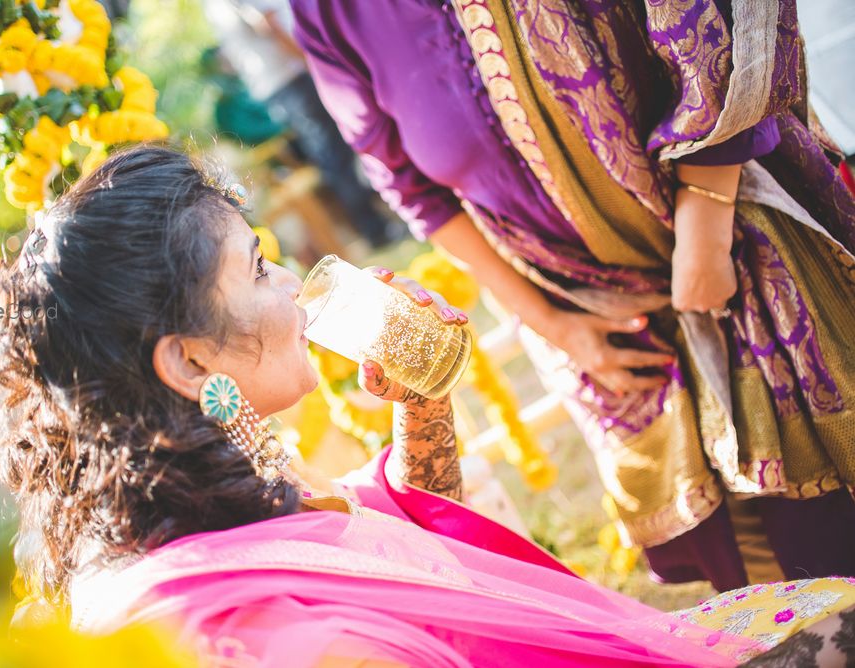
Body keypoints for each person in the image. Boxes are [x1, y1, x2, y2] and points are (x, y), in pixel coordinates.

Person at [0, 144, 855, 666]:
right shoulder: (248, 634)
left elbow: (383, 548)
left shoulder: (208, 486)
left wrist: (421, 405)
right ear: (190, 360)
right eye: (260, 266)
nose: (289, 287)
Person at [286, 0, 855, 591]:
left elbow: (720, 38)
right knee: (742, 571)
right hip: (584, 314)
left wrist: (705, 233)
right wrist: (556, 324)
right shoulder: (329, 14)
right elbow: (411, 188)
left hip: (736, 235)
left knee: (823, 533)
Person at [200, 0, 402, 248]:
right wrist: (311, 58)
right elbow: (270, 24)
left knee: (331, 152)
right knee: (334, 152)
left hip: (275, 84)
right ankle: (376, 229)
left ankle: (377, 223)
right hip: (291, 77)